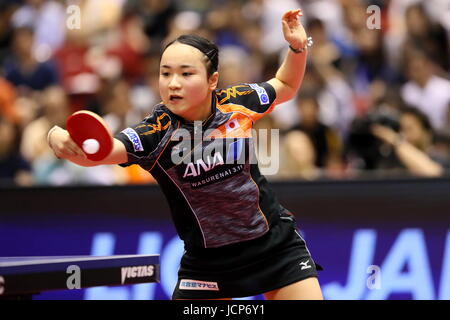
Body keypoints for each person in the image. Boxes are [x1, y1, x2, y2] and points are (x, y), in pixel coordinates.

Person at [47, 9, 323, 300]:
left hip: (275, 248)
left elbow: (287, 85)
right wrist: (57, 137)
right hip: (208, 266)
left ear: (212, 80)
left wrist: (296, 47)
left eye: (186, 74)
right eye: (165, 73)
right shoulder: (154, 133)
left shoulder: (237, 103)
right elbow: (103, 152)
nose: (173, 83)